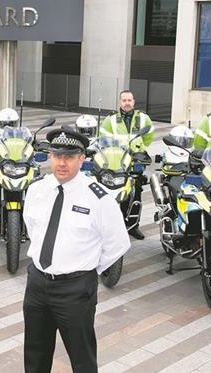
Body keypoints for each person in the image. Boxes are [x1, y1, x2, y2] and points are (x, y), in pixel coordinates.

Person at [23, 127, 130, 373]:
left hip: (75, 290)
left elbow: (118, 243)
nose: (62, 163)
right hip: (37, 283)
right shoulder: (37, 189)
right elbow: (33, 228)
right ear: (49, 156)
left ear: (82, 159)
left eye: (69, 156)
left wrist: (86, 270)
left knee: (82, 360)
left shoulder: (99, 197)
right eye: (57, 155)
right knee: (35, 355)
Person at [99, 90, 153, 239]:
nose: (127, 103)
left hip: (136, 161)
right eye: (124, 100)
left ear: (134, 102)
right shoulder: (110, 119)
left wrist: (140, 148)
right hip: (116, 161)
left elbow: (149, 137)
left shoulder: (143, 118)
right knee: (116, 193)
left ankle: (133, 226)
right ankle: (117, 224)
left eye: (129, 100)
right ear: (119, 102)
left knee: (136, 193)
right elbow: (102, 139)